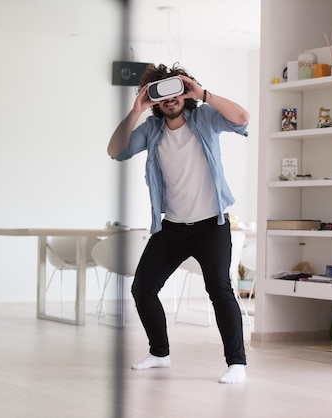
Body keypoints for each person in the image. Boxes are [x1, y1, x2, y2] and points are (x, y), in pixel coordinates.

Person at [107, 63, 249, 384]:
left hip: (211, 224)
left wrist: (203, 94)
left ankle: (237, 363)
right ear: (154, 100)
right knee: (143, 289)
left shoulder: (206, 118)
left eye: (176, 89)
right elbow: (115, 151)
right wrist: (136, 111)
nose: (170, 98)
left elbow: (242, 118)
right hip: (171, 227)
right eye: (161, 92)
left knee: (219, 289)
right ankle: (159, 353)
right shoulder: (151, 130)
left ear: (186, 92)